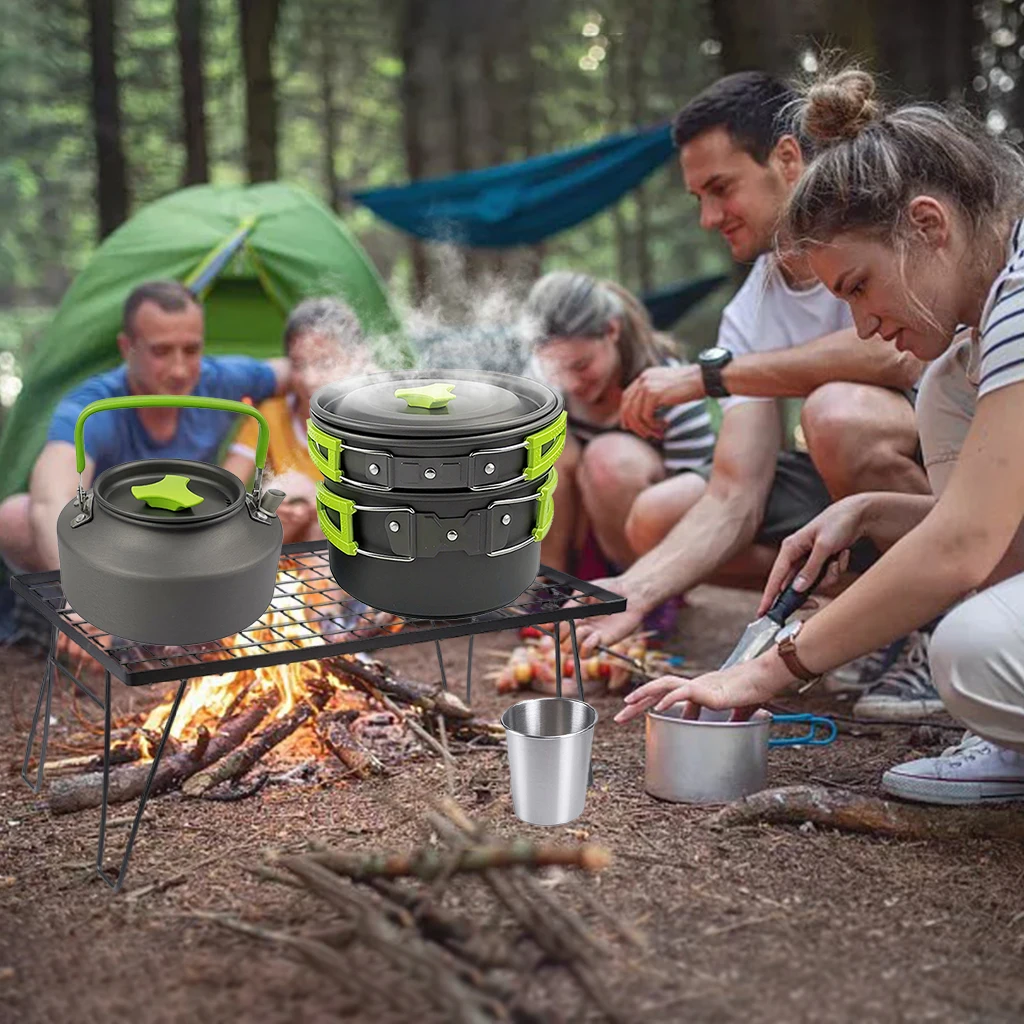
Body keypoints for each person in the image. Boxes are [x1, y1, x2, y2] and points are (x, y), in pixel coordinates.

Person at [616, 66, 1024, 805]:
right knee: (945, 381)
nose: (865, 323)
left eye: (861, 288)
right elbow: (995, 524)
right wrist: (871, 510)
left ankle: (951, 664)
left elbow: (966, 544)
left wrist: (768, 670)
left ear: (930, 226)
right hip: (951, 489)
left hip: (943, 533)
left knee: (973, 656)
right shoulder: (979, 326)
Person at [571, 71, 936, 719]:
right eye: (698, 198)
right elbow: (734, 493)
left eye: (721, 189)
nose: (710, 218)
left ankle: (929, 630)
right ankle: (860, 617)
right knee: (661, 516)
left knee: (836, 414)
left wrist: (717, 376)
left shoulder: (880, 225)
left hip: (954, 475)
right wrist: (637, 587)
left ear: (788, 159)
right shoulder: (751, 308)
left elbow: (898, 352)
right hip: (846, 492)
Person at [0, 279, 290, 579]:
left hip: (192, 532)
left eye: (191, 350)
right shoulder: (94, 407)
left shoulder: (217, 381)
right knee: (15, 518)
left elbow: (293, 370)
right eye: (161, 351)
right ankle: (51, 612)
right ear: (128, 348)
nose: (179, 369)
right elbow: (52, 499)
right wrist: (85, 594)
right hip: (111, 547)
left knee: (289, 503)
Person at [523, 271, 715, 576]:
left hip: (649, 541)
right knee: (543, 449)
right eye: (556, 369)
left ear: (611, 330)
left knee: (606, 459)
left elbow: (699, 492)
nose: (570, 384)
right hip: (575, 535)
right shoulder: (539, 381)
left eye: (581, 365)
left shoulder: (669, 383)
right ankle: (549, 582)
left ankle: (640, 587)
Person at [224, 296, 377, 544]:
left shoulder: (370, 427)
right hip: (283, 555)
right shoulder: (269, 417)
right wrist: (263, 509)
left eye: (324, 362)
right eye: (298, 364)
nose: (309, 378)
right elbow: (226, 487)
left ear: (355, 360)